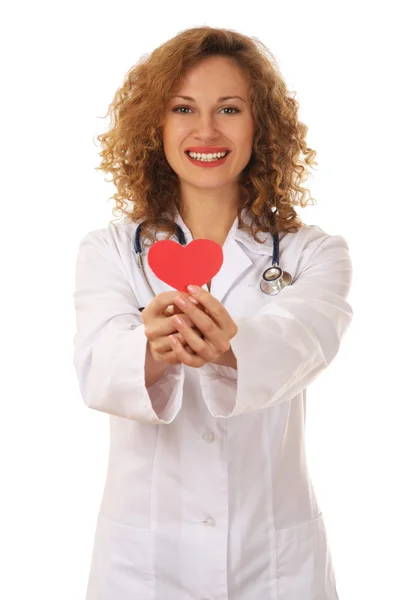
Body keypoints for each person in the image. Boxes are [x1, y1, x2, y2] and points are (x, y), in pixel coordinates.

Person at [73, 26, 353, 600]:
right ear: (158, 126)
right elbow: (99, 369)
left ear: (261, 125)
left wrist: (230, 345)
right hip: (143, 567)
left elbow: (308, 340)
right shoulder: (108, 251)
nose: (206, 130)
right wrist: (150, 349)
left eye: (230, 108)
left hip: (273, 564)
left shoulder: (313, 253)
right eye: (183, 109)